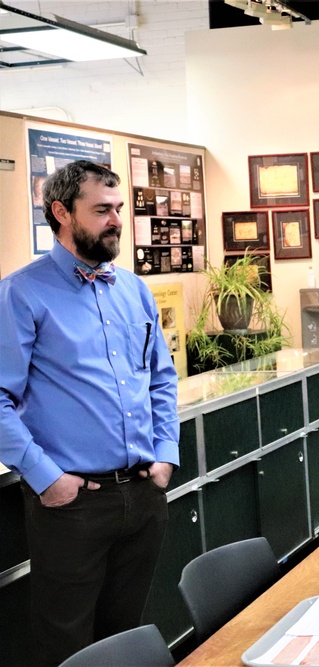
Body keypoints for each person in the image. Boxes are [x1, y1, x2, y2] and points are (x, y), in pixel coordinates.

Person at [0, 161, 179, 666]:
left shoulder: (133, 290)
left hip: (143, 494)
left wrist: (165, 455)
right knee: (66, 645)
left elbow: (161, 380)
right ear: (61, 213)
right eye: (102, 210)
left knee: (124, 641)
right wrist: (46, 478)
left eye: (118, 208)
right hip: (73, 505)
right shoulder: (21, 293)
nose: (116, 220)